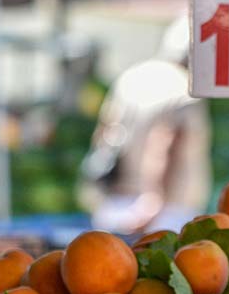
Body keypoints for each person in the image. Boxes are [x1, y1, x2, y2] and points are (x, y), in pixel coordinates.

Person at [79, 16, 211, 234]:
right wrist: (153, 204)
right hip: (164, 214)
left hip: (117, 202)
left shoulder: (131, 78)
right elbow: (164, 143)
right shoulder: (186, 89)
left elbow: (106, 133)